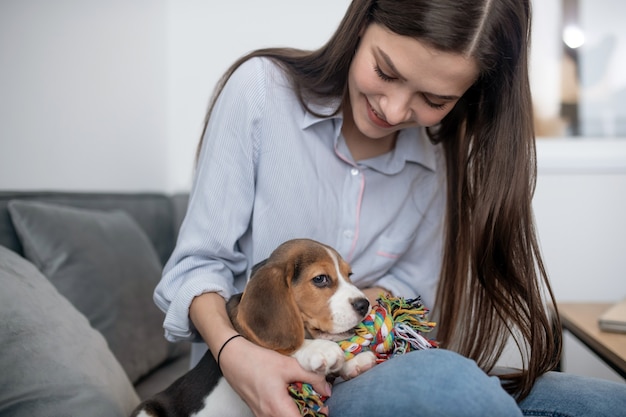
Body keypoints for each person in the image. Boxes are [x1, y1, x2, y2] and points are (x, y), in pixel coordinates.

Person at [155, 0, 626, 416]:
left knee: (604, 403)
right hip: (252, 380)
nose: (397, 111)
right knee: (452, 386)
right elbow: (200, 265)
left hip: (365, 366)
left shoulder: (439, 156)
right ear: (362, 23)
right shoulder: (259, 91)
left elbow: (409, 298)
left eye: (435, 99)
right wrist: (239, 356)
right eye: (386, 71)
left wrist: (349, 323)